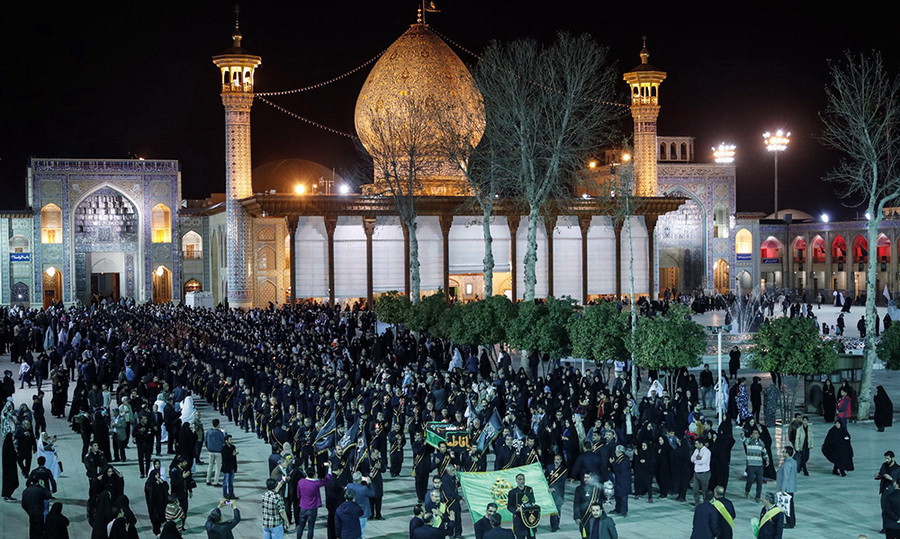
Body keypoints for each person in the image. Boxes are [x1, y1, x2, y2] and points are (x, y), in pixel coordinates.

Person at [297, 461, 332, 539]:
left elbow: (298, 494)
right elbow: (327, 480)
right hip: (312, 508)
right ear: (313, 474)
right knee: (310, 527)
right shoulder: (316, 484)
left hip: (303, 506)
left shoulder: (301, 481)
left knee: (301, 526)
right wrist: (329, 468)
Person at [345, 471, 375, 538]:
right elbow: (372, 493)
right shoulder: (363, 488)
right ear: (360, 479)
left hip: (351, 512)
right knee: (361, 531)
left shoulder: (349, 486)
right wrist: (369, 483)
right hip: (362, 512)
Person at [507, 473, 537, 538]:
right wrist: (515, 510)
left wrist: (533, 505)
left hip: (529, 518)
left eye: (523, 479)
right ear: (516, 481)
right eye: (520, 479)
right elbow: (509, 506)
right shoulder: (512, 492)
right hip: (519, 518)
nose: (522, 481)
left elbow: (533, 501)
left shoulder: (529, 490)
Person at [742, 429, 768, 502]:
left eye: (756, 433)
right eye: (753, 433)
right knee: (750, 479)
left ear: (758, 435)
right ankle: (747, 490)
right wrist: (742, 434)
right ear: (751, 435)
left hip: (759, 465)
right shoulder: (749, 441)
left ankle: (758, 496)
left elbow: (764, 452)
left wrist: (767, 459)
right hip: (751, 465)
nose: (755, 434)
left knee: (759, 481)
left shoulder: (761, 443)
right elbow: (743, 439)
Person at [775, 446, 797, 528]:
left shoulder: (787, 463)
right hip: (791, 487)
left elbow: (786, 477)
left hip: (786, 488)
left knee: (787, 507)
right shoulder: (793, 462)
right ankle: (792, 521)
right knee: (790, 505)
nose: (782, 453)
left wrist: (783, 489)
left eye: (784, 451)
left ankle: (790, 523)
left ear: (787, 453)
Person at [690, 438, 711, 506]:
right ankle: (697, 505)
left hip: (704, 473)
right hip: (696, 473)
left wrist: (696, 460)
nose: (695, 445)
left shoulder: (706, 451)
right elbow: (691, 459)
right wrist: (697, 459)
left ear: (701, 444)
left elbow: (703, 461)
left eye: (696, 444)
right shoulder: (696, 450)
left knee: (704, 491)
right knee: (695, 490)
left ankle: (705, 505)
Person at [221, 434, 238, 500]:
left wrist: (235, 467)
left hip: (232, 467)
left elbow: (234, 458)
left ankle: (231, 494)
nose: (231, 441)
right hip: (226, 467)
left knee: (231, 482)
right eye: (230, 440)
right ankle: (225, 494)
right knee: (225, 482)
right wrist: (232, 455)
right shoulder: (224, 448)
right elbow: (225, 458)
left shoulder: (233, 447)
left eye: (231, 439)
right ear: (226, 441)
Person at [883, 473, 900, 539]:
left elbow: (887, 510)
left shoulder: (890, 496)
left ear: (896, 485)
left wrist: (897, 519)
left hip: (891, 525)